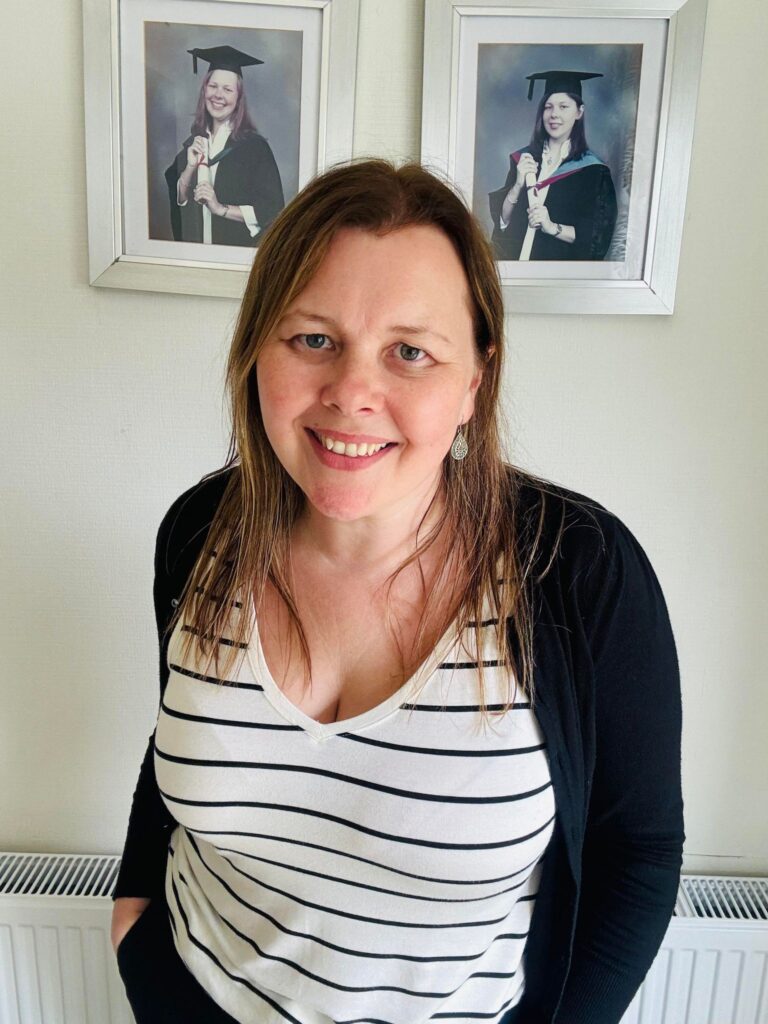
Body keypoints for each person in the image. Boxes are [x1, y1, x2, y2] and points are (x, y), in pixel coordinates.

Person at [111, 159, 684, 1024]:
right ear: (257, 347)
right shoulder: (201, 534)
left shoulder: (579, 572)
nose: (352, 394)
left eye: (410, 352)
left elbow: (634, 854)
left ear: (473, 381)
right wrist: (134, 928)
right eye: (313, 339)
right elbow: (176, 744)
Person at [489, 70, 618, 261]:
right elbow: (503, 223)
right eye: (548, 107)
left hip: (555, 277)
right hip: (515, 270)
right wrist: (517, 185)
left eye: (563, 106)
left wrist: (552, 227)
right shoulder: (524, 159)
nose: (554, 114)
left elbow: (597, 239)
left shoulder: (593, 172)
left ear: (579, 112)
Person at [164, 45, 285, 247]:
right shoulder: (194, 143)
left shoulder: (254, 149)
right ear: (204, 91)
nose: (218, 95)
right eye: (213, 86)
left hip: (234, 257)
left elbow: (272, 211)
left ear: (238, 99)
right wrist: (190, 167)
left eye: (227, 89)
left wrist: (220, 208)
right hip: (197, 256)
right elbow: (179, 198)